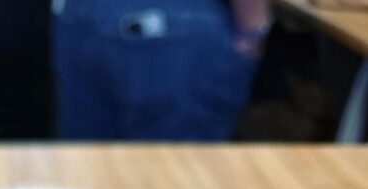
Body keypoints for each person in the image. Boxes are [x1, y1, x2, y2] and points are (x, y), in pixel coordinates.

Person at [51, 0, 270, 140]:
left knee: (94, 182)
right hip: (172, 30)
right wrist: (252, 32)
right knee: (176, 187)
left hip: (77, 17)